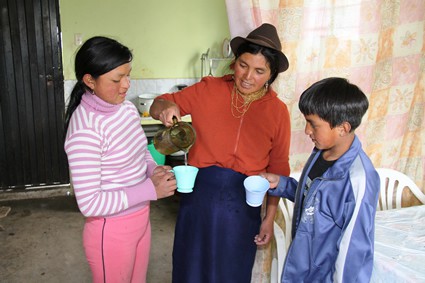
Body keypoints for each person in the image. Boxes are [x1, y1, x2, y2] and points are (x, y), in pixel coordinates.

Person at [150, 23, 291, 283]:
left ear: (271, 75)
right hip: (199, 196)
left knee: (231, 272)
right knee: (190, 267)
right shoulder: (209, 89)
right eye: (243, 65)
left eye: (260, 71)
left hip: (243, 203)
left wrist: (269, 218)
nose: (248, 76)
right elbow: (159, 103)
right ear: (234, 62)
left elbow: (279, 169)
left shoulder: (278, 112)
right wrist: (166, 107)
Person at [64, 36, 176, 283]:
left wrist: (153, 171)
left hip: (141, 219)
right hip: (111, 231)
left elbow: (140, 151)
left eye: (128, 75)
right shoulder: (85, 130)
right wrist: (150, 189)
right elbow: (90, 203)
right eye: (117, 79)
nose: (126, 85)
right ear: (89, 80)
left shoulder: (125, 109)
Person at [262, 77, 380, 282]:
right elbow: (315, 198)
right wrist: (281, 184)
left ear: (343, 128)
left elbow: (354, 251)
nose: (307, 131)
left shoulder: (359, 179)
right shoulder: (321, 153)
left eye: (313, 125)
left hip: (324, 275)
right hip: (303, 265)